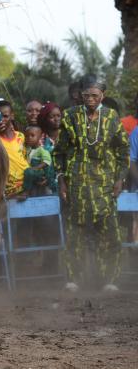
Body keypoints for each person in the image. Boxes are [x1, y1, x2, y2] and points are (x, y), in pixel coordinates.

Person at [53, 80, 129, 293]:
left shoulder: (112, 117)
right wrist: (62, 181)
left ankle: (109, 281)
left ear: (103, 95)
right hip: (77, 185)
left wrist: (120, 179)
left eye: (95, 95)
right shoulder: (70, 116)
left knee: (109, 234)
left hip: (104, 186)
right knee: (74, 234)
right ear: (81, 95)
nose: (90, 99)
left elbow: (123, 152)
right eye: (86, 95)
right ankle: (73, 280)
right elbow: (59, 152)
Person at [0, 100, 29, 197]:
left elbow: (24, 157)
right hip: (9, 189)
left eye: (5, 116)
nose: (2, 120)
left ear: (12, 116)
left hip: (27, 184)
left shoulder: (20, 136)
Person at [17, 125, 53, 200]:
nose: (29, 138)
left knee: (28, 172)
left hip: (40, 173)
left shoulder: (42, 150)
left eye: (32, 136)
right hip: (32, 174)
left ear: (40, 137)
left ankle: (25, 192)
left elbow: (47, 161)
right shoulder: (28, 150)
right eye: (26, 136)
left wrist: (35, 168)